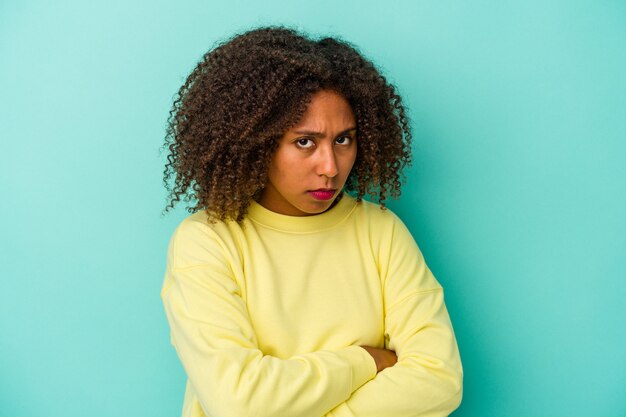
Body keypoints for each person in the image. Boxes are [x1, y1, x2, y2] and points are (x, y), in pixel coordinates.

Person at [160, 26, 463, 417]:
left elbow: (439, 380)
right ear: (256, 141)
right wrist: (365, 361)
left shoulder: (381, 232)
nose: (330, 167)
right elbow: (240, 403)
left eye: (343, 139)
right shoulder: (206, 242)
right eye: (305, 141)